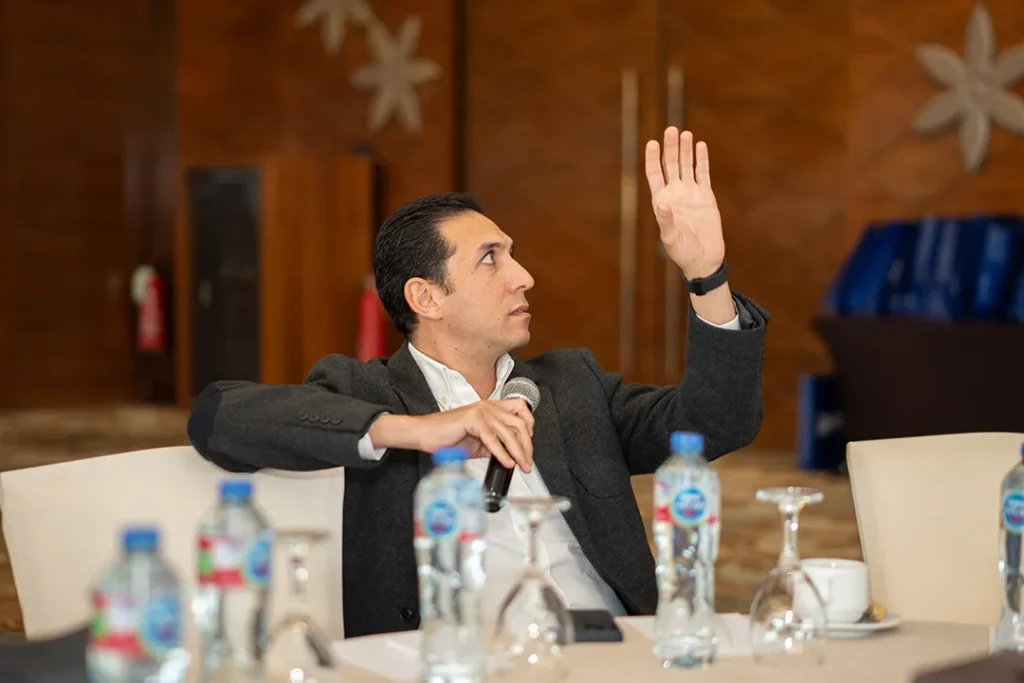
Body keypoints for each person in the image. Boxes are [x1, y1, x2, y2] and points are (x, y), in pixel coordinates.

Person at [186, 127, 769, 638]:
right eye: (491, 259)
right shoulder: (367, 392)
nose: (524, 276)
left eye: (513, 255)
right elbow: (220, 418)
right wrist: (414, 430)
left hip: (613, 650)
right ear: (427, 297)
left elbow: (719, 421)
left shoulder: (573, 385)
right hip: (460, 658)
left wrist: (706, 275)